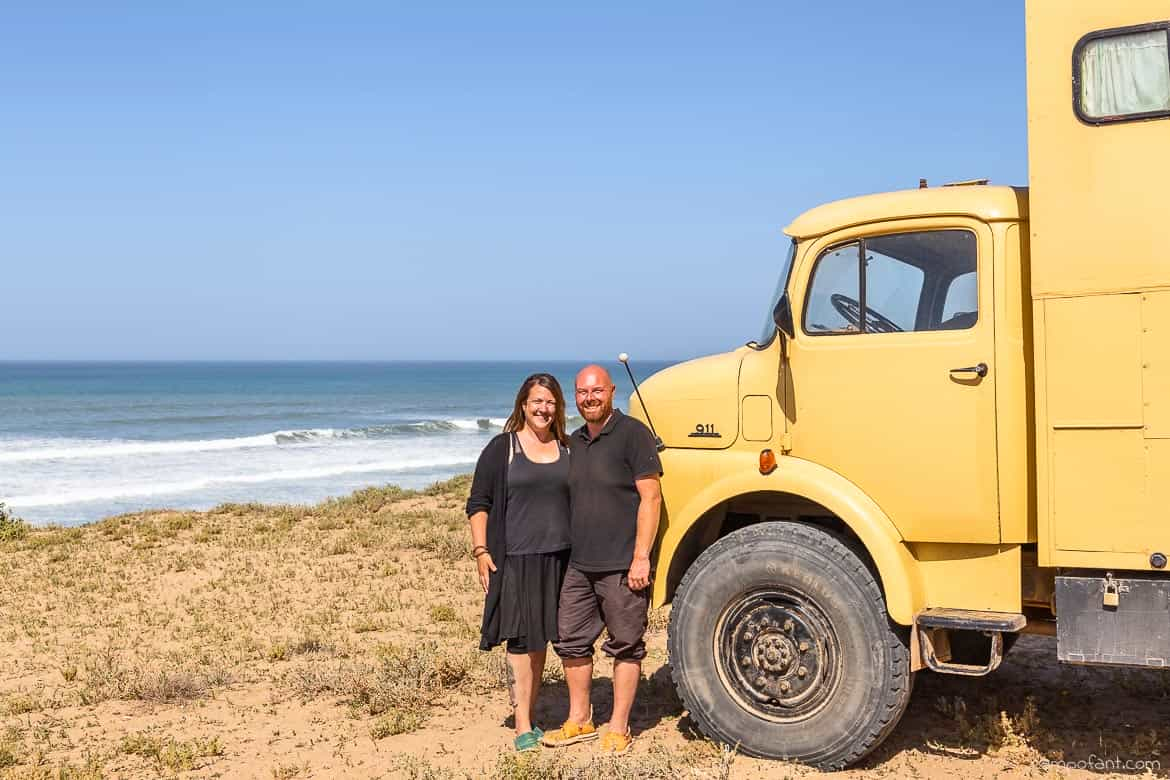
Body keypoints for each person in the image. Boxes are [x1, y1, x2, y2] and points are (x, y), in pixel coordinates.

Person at [541, 364, 663, 755]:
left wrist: (641, 557)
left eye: (596, 391)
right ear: (574, 398)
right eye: (581, 392)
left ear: (611, 391)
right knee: (571, 643)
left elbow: (652, 497)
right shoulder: (573, 441)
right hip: (578, 565)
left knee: (626, 645)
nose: (589, 398)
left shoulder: (633, 435)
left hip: (622, 566)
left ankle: (619, 726)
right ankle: (580, 720)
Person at [466, 373, 572, 752]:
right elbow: (479, 503)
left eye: (551, 402)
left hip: (560, 557)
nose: (544, 408)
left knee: (541, 637)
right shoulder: (503, 448)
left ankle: (531, 709)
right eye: (537, 402)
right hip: (517, 558)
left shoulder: (567, 447)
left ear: (557, 407)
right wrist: (481, 551)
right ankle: (523, 723)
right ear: (523, 406)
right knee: (521, 639)